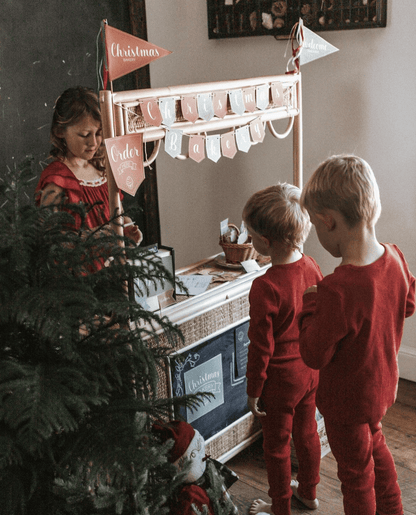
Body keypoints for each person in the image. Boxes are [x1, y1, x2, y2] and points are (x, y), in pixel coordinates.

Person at [298, 154, 415, 515]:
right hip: (381, 388)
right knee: (376, 448)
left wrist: (308, 307)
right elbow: (408, 302)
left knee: (354, 475)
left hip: (346, 402)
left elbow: (314, 354)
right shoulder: (394, 257)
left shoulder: (336, 290)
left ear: (327, 221)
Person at [243, 183, 323, 515]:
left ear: (264, 242)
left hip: (279, 379)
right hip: (310, 370)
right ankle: (309, 492)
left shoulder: (265, 286)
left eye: (250, 235)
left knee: (275, 445)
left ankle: (280, 507)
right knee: (307, 433)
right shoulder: (312, 266)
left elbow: (260, 347)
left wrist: (253, 389)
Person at [35, 86, 142, 243]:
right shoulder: (57, 179)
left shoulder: (104, 169)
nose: (93, 142)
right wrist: (104, 234)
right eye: (84, 135)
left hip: (114, 264)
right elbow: (50, 239)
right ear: (60, 131)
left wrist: (127, 230)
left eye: (98, 133)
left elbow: (119, 215)